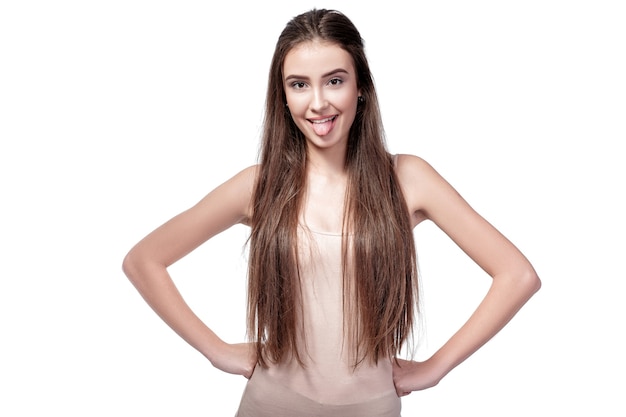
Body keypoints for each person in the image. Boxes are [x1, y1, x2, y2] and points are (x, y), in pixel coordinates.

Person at [122, 8, 541, 417]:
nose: (318, 103)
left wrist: (434, 369)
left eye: (334, 81)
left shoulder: (408, 178)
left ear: (360, 86)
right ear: (283, 96)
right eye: (299, 85)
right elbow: (144, 260)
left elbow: (517, 275)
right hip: (271, 405)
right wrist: (215, 351)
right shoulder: (259, 185)